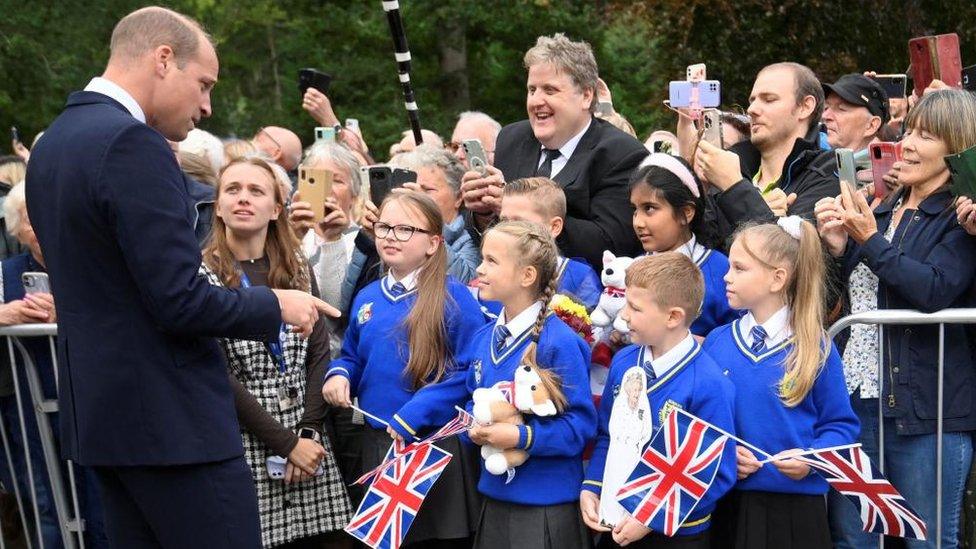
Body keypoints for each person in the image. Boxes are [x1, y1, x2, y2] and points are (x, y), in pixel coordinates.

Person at [24, 7, 335, 547]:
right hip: (171, 427)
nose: (207, 106)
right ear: (163, 60)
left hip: (105, 422)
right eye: (204, 84)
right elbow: (180, 301)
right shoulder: (131, 144)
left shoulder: (54, 142)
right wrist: (275, 304)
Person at [816, 89, 976, 549]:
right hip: (856, 399)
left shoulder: (960, 217)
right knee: (854, 538)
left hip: (927, 410)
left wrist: (868, 239)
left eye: (925, 136)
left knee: (928, 541)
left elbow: (933, 290)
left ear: (956, 148)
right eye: (908, 131)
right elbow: (854, 297)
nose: (906, 144)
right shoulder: (881, 208)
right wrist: (838, 247)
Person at [396, 220, 596, 549]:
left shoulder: (558, 342)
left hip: (544, 506)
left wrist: (521, 436)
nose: (479, 268)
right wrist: (473, 424)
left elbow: (580, 426)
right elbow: (470, 395)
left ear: (527, 276)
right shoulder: (484, 336)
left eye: (491, 261)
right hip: (494, 495)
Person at [200, 157, 352, 548]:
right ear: (218, 205)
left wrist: (308, 432)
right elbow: (217, 372)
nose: (243, 199)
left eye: (256, 190)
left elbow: (319, 353)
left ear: (276, 208)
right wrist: (286, 445)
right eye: (232, 190)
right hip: (249, 436)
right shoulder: (202, 277)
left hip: (309, 429)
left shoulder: (296, 265)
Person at [321, 191, 486, 547]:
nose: (390, 236)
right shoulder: (367, 296)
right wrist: (339, 374)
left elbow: (469, 371)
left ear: (433, 243)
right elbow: (351, 354)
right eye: (384, 227)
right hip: (379, 443)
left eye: (405, 229)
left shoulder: (455, 298)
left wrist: (418, 411)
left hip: (432, 449)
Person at [704, 218, 858, 549]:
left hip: (796, 512)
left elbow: (840, 426)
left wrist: (812, 459)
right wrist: (724, 453)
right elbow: (700, 423)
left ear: (777, 278)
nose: (726, 277)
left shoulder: (814, 347)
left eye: (739, 268)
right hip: (727, 503)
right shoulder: (717, 342)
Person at [582, 253, 736, 548]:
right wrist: (593, 485)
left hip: (675, 534)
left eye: (635, 308)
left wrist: (651, 516)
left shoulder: (710, 384)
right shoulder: (625, 361)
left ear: (673, 317)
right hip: (615, 520)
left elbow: (717, 471)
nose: (624, 315)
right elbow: (607, 436)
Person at [461, 33, 647, 269]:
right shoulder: (511, 139)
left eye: (549, 90)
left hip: (580, 296)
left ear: (586, 95)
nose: (536, 101)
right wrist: (484, 212)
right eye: (531, 90)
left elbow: (611, 244)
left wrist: (519, 211)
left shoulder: (621, 154)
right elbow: (486, 237)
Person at [695, 63, 838, 235]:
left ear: (805, 107)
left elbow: (791, 255)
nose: (751, 109)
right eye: (752, 100)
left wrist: (734, 187)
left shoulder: (828, 173)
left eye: (769, 99)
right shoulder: (733, 164)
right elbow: (705, 247)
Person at [630, 155, 737, 336]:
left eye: (649, 208)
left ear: (686, 212)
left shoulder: (721, 270)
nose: (638, 222)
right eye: (635, 210)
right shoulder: (633, 268)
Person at [497, 177, 602, 310]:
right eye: (504, 221)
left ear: (554, 227)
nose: (508, 229)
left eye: (520, 222)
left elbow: (590, 329)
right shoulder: (491, 273)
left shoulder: (580, 278)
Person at [393, 145, 481, 283]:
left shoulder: (473, 236)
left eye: (427, 190)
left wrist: (425, 219)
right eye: (411, 189)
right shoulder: (396, 232)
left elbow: (465, 283)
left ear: (458, 197)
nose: (415, 197)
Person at [821, 73, 889, 152]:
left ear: (871, 125)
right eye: (826, 108)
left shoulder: (888, 164)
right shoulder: (808, 159)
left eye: (841, 109)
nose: (825, 116)